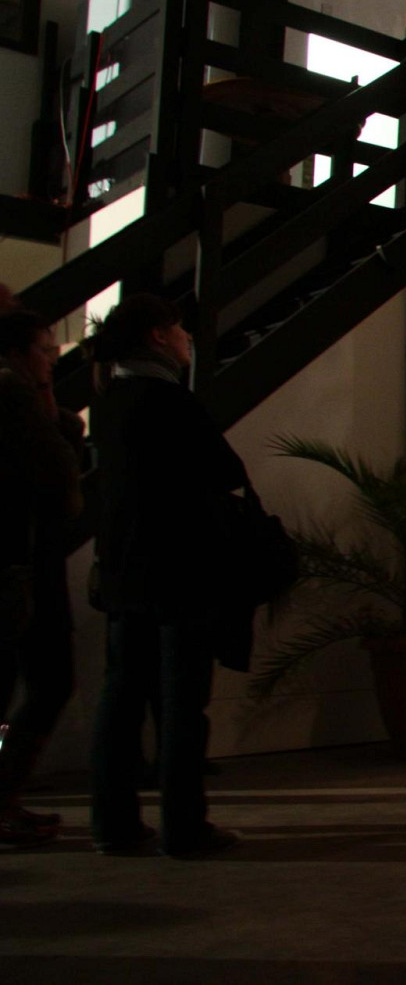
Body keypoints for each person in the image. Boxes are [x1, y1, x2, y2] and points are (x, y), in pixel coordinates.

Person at [87, 293, 246, 857]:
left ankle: (113, 823)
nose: (188, 339)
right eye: (180, 330)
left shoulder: (109, 403)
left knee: (121, 699)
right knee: (181, 705)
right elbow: (225, 470)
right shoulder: (168, 401)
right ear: (157, 335)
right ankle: (184, 825)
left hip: (123, 573)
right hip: (179, 572)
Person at [0, 308, 81, 847]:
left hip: (22, 562)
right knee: (45, 679)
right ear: (18, 353)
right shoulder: (13, 395)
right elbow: (60, 480)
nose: (52, 359)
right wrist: (55, 410)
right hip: (19, 564)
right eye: (45, 350)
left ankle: (6, 798)